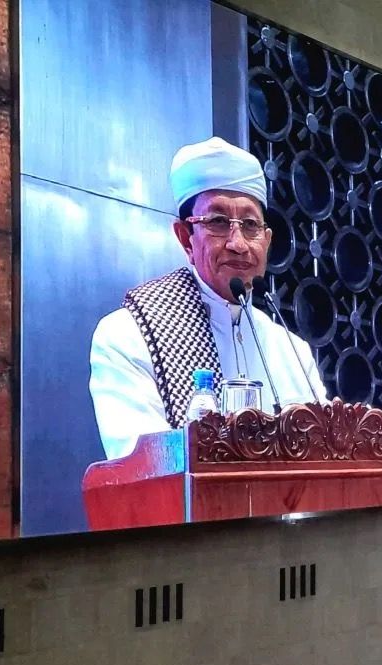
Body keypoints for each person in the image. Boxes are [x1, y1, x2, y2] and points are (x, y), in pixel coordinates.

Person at [90, 137, 327, 459]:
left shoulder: (291, 350)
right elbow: (144, 467)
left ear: (267, 240)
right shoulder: (130, 336)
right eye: (217, 222)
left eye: (250, 225)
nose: (238, 244)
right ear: (186, 238)